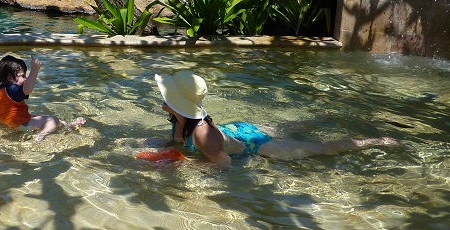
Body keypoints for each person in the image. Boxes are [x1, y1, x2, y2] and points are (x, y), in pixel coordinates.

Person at [154, 70, 398, 169]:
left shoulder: (201, 134)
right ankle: (326, 118)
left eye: (169, 96)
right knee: (289, 127)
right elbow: (176, 142)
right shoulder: (178, 119)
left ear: (180, 103)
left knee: (323, 149)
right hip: (239, 129)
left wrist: (186, 164)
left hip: (253, 144)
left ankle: (378, 141)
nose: (163, 98)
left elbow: (224, 164)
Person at [0, 54, 86, 143]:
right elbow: (27, 89)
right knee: (53, 119)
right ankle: (40, 136)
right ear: (10, 78)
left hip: (9, 125)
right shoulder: (12, 90)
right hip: (20, 124)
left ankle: (69, 124)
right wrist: (35, 70)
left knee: (43, 117)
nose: (25, 79)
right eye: (22, 76)